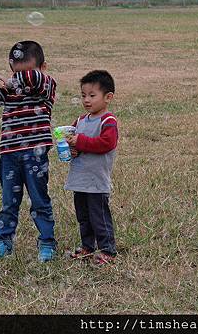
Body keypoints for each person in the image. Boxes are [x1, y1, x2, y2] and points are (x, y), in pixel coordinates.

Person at [0, 41, 58, 263]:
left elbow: (34, 80)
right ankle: (4, 241)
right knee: (8, 202)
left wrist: (15, 80)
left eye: (25, 73)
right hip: (9, 155)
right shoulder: (10, 91)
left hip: (35, 153)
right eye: (15, 72)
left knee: (39, 200)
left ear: (44, 67)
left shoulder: (46, 86)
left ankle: (47, 241)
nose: (19, 78)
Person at [65, 70, 118, 266]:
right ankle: (87, 246)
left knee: (99, 217)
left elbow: (106, 143)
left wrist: (80, 142)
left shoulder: (108, 121)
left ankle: (107, 249)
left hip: (96, 180)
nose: (87, 100)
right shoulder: (79, 121)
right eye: (83, 95)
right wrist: (71, 148)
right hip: (79, 179)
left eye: (92, 95)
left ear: (108, 97)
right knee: (83, 217)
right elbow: (73, 142)